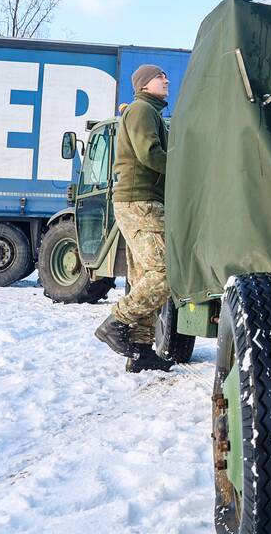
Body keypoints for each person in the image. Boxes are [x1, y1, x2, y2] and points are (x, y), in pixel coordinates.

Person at [94, 64, 174, 372]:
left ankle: (140, 350)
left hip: (140, 200)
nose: (166, 80)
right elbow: (149, 154)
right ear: (144, 84)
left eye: (165, 76)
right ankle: (116, 322)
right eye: (159, 77)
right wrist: (185, 166)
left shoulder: (148, 111)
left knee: (142, 277)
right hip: (141, 202)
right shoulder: (142, 110)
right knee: (165, 272)